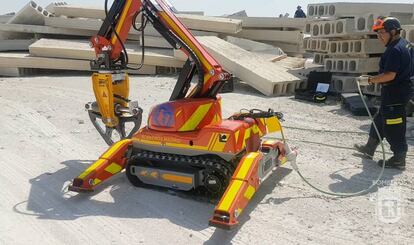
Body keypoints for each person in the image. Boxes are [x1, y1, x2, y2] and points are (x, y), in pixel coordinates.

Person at [355, 16, 414, 170]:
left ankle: (399, 159)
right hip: (398, 91)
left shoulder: (394, 50)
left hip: (395, 93)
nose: (379, 36)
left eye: (382, 32)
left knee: (393, 126)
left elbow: (390, 75)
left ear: (393, 31)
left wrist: (368, 80)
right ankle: (369, 148)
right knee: (380, 119)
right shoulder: (406, 44)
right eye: (378, 33)